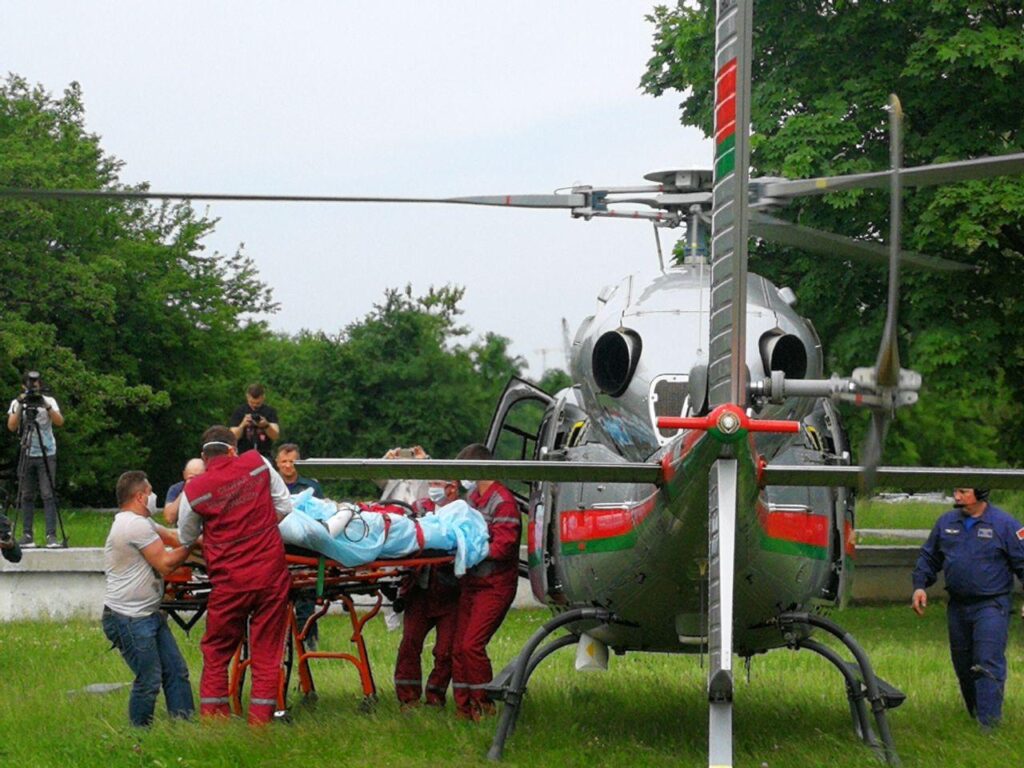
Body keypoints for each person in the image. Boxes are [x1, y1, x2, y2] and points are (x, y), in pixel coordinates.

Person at [176, 425, 293, 724]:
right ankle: (260, 724)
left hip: (229, 581)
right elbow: (284, 505)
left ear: (204, 457)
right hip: (270, 574)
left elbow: (187, 537)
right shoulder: (257, 463)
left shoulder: (195, 490)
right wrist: (259, 529)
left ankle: (215, 722)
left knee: (217, 650)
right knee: (267, 651)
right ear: (232, 449)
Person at [911, 487, 1024, 728]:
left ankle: (988, 726)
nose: (957, 497)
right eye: (955, 491)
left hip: (991, 605)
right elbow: (929, 557)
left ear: (981, 494)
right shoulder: (946, 523)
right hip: (958, 606)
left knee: (986, 661)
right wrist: (920, 586)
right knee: (964, 665)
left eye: (963, 492)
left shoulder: (1005, 525)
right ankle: (975, 714)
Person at [101, 470, 194, 726]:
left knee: (176, 671)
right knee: (149, 679)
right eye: (151, 492)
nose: (154, 497)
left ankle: (184, 726)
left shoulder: (141, 522)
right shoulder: (133, 525)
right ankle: (139, 735)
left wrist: (199, 539)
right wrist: (191, 544)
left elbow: (173, 537)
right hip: (129, 618)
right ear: (141, 497)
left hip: (148, 615)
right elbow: (165, 564)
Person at [450, 443, 521, 721]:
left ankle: (485, 705)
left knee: (471, 646)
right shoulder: (471, 498)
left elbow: (504, 547)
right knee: (458, 648)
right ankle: (463, 707)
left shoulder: (503, 501)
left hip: (494, 585)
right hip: (471, 583)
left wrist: (470, 551)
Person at [394, 478, 461, 710]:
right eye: (431, 481)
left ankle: (435, 697)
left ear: (453, 487)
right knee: (409, 644)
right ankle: (408, 698)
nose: (433, 487)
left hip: (450, 592)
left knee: (445, 651)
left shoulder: (462, 512)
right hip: (420, 590)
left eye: (439, 482)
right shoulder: (419, 508)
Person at [7, 370, 64, 548]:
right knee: (26, 495)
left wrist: (45, 405)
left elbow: (59, 421)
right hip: (27, 451)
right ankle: (27, 535)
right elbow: (12, 426)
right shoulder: (17, 403)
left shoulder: (49, 401)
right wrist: (21, 404)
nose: (34, 388)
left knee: (48, 494)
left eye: (37, 385)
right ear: (24, 386)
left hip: (47, 452)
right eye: (31, 385)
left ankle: (51, 536)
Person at [275, 442, 323, 650]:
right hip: (279, 550)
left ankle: (308, 643)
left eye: (292, 461)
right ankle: (280, 644)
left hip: (305, 551)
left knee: (306, 599)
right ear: (277, 464)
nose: (288, 466)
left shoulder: (311, 487)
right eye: (284, 461)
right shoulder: (272, 487)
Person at [229, 383, 280, 459]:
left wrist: (266, 425)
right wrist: (242, 425)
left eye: (258, 403)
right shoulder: (239, 411)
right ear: (247, 397)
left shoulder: (270, 412)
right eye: (252, 403)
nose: (255, 405)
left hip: (264, 454)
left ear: (263, 397)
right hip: (243, 453)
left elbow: (275, 436)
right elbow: (232, 438)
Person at [162, 458, 206, 526]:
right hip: (182, 533)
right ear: (184, 474)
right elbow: (169, 518)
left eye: (199, 477)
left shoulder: (211, 488)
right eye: (192, 477)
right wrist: (185, 491)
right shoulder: (176, 489)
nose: (196, 481)